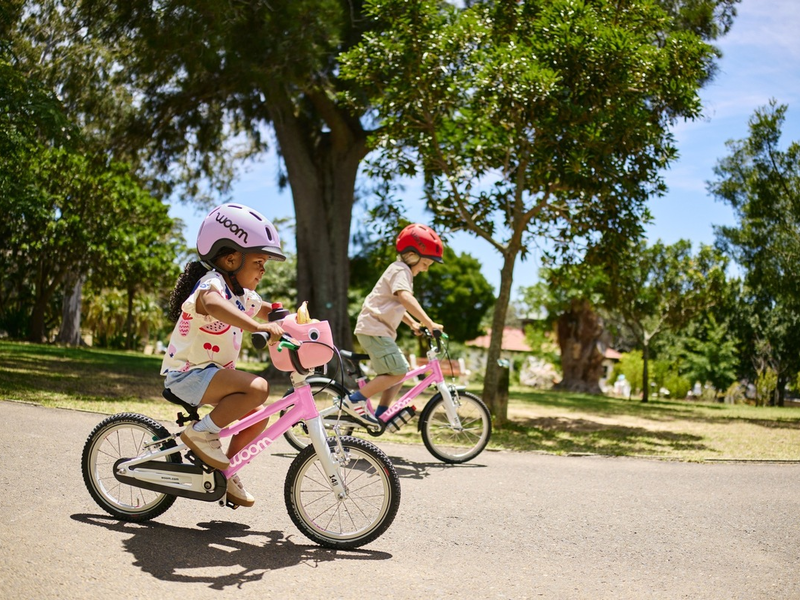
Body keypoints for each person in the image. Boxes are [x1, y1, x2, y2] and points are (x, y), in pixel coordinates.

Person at [161, 203, 285, 508]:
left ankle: (224, 471)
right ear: (231, 258)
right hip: (187, 375)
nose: (263, 269)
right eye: (259, 261)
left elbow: (273, 309)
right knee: (258, 387)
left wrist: (301, 323)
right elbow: (214, 304)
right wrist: (258, 326)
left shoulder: (241, 295)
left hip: (209, 377)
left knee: (259, 417)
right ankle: (201, 434)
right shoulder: (211, 285)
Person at [346, 223, 445, 424]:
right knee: (398, 371)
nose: (425, 270)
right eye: (426, 264)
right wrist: (429, 322)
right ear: (412, 255)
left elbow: (396, 304)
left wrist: (413, 324)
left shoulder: (400, 271)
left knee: (401, 372)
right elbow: (405, 298)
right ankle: (352, 401)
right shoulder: (401, 270)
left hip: (375, 329)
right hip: (374, 329)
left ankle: (381, 414)